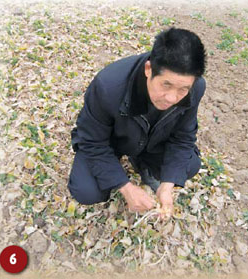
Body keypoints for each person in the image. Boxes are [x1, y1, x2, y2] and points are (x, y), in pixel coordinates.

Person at [67, 27, 207, 220]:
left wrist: (168, 184)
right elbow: (91, 142)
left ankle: (143, 163)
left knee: (190, 165)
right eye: (166, 85)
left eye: (182, 89)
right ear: (149, 69)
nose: (172, 98)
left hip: (153, 141)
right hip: (113, 141)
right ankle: (120, 163)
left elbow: (183, 138)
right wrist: (126, 187)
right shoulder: (108, 86)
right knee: (87, 191)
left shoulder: (195, 88)